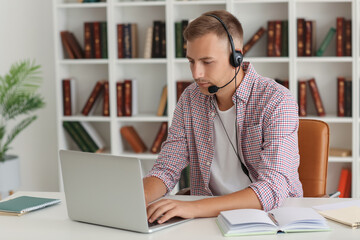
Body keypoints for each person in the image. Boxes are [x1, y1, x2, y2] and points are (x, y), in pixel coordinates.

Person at [143, 10, 303, 225]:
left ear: (236, 57)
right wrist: (132, 199)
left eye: (207, 62)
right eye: (191, 61)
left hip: (271, 218)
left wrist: (192, 208)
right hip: (207, 216)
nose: (196, 73)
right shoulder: (191, 97)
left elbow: (272, 188)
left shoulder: (276, 99)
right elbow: (166, 169)